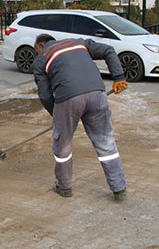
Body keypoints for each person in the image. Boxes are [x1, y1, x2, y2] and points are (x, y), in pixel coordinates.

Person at [32, 34, 129, 201]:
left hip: (68, 98)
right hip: (97, 94)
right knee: (105, 142)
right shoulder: (78, 43)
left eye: (36, 50)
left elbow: (45, 95)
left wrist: (56, 114)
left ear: (41, 45)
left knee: (63, 145)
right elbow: (108, 50)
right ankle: (119, 188)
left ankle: (64, 186)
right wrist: (118, 77)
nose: (37, 54)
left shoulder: (41, 60)